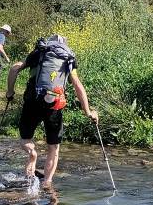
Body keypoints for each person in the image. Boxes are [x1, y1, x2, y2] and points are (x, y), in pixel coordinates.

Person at [6, 34, 98, 188]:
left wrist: (10, 92)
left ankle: (32, 155)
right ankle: (47, 183)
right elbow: (77, 85)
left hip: (32, 102)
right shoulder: (67, 58)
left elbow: (14, 68)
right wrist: (88, 112)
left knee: (25, 139)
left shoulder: (39, 52)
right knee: (53, 147)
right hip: (54, 105)